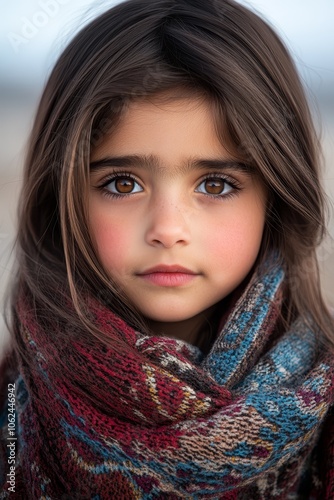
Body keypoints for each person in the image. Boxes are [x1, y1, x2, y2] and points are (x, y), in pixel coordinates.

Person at [0, 0, 333, 497]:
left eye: (216, 185)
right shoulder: (11, 411)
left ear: (278, 198)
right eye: (123, 184)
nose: (167, 229)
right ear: (61, 196)